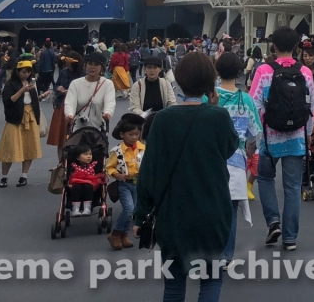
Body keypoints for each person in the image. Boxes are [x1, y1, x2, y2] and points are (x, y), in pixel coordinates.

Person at [133, 52, 238, 302]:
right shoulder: (218, 117)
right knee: (211, 277)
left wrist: (140, 215)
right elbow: (230, 148)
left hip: (173, 213)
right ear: (209, 82)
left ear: (178, 80)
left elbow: (148, 171)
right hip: (212, 209)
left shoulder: (162, 120)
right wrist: (214, 108)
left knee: (174, 282)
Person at [250, 26, 314, 252]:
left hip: (270, 138)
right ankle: (290, 238)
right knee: (292, 187)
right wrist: (307, 134)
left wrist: (258, 130)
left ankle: (273, 221)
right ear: (296, 46)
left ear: (274, 46)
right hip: (296, 138)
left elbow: (254, 103)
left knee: (265, 178)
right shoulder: (305, 72)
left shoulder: (264, 70)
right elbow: (311, 104)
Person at [214, 52, 261, 264]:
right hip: (236, 159)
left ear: (216, 70)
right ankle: (226, 255)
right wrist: (249, 149)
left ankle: (209, 252)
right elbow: (255, 132)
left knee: (210, 207)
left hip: (210, 159)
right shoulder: (246, 99)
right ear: (239, 72)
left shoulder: (210, 97)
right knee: (230, 210)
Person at [0, 57, 42, 188]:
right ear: (17, 72)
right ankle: (4, 177)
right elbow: (8, 101)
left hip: (30, 116)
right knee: (10, 148)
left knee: (29, 147)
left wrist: (40, 97)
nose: (25, 74)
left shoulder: (32, 83)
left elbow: (32, 100)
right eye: (23, 72)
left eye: (28, 72)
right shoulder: (10, 84)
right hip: (15, 118)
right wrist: (22, 90)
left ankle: (24, 175)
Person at [106, 113, 146, 249]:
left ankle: (124, 235)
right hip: (124, 184)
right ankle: (115, 233)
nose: (135, 137)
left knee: (134, 211)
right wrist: (117, 175)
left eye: (137, 134)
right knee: (128, 209)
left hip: (138, 184)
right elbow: (109, 167)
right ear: (122, 135)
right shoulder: (117, 151)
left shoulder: (142, 149)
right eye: (131, 134)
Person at [64, 52, 116, 131]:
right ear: (85, 66)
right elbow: (70, 103)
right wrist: (69, 114)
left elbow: (110, 102)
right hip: (78, 129)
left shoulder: (107, 84)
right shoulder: (76, 83)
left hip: (99, 129)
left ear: (101, 67)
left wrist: (108, 113)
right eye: (90, 63)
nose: (92, 67)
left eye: (96, 64)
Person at [47, 51, 83, 150]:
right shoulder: (64, 72)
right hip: (62, 104)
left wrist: (71, 91)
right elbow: (56, 85)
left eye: (69, 63)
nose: (68, 65)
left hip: (76, 105)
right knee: (61, 137)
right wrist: (58, 88)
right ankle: (61, 162)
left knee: (74, 135)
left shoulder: (82, 74)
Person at [66, 143, 105, 216]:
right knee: (76, 187)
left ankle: (87, 208)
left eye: (90, 154)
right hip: (77, 182)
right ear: (78, 157)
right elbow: (71, 175)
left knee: (88, 187)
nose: (89, 156)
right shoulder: (74, 166)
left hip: (90, 182)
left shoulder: (93, 165)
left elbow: (98, 175)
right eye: (86, 154)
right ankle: (75, 208)